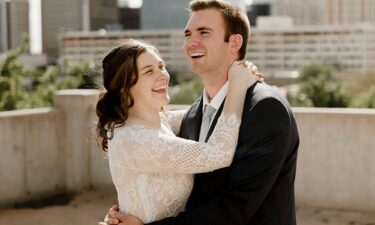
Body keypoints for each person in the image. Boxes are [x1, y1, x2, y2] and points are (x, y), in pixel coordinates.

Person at [102, 0, 299, 225]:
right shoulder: (194, 114)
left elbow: (234, 208)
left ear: (234, 42)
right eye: (188, 34)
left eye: (204, 32)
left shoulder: (265, 109)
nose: (191, 42)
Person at [95, 39, 262, 224]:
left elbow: (205, 113)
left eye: (161, 66)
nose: (163, 75)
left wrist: (238, 78)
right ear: (124, 88)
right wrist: (238, 84)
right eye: (149, 71)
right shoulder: (138, 140)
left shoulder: (158, 120)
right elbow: (219, 153)